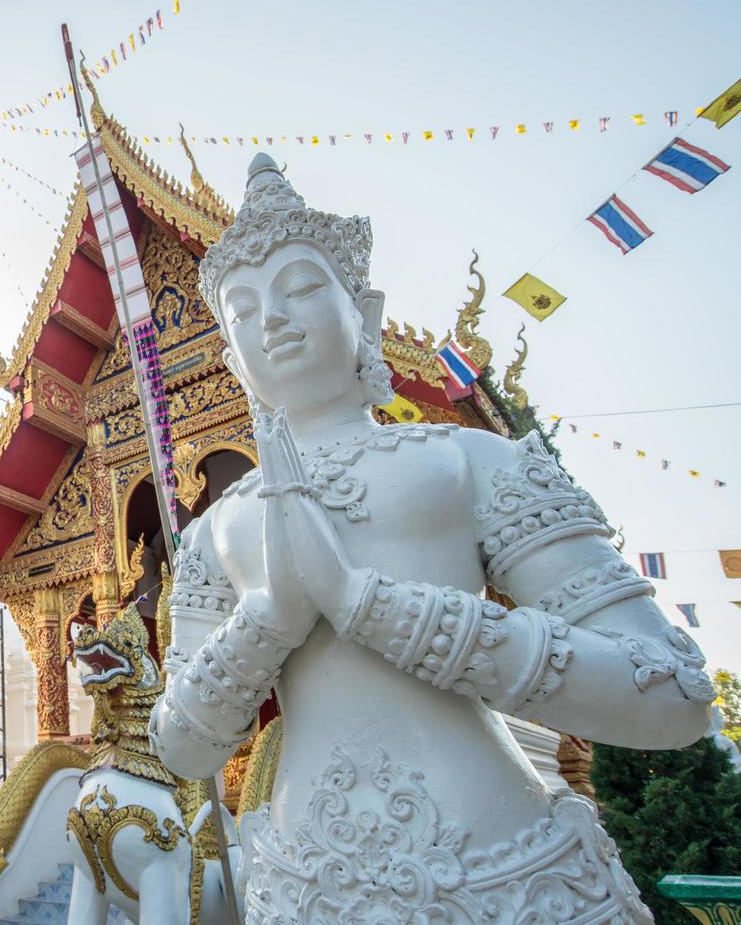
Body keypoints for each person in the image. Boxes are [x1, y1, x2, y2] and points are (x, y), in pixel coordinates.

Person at [147, 154, 712, 923]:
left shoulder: (468, 461)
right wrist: (271, 616)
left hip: (507, 873)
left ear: (366, 313)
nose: (270, 317)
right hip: (303, 887)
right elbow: (181, 748)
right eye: (242, 309)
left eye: (303, 287)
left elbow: (673, 695)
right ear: (228, 357)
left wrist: (366, 603)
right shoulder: (213, 531)